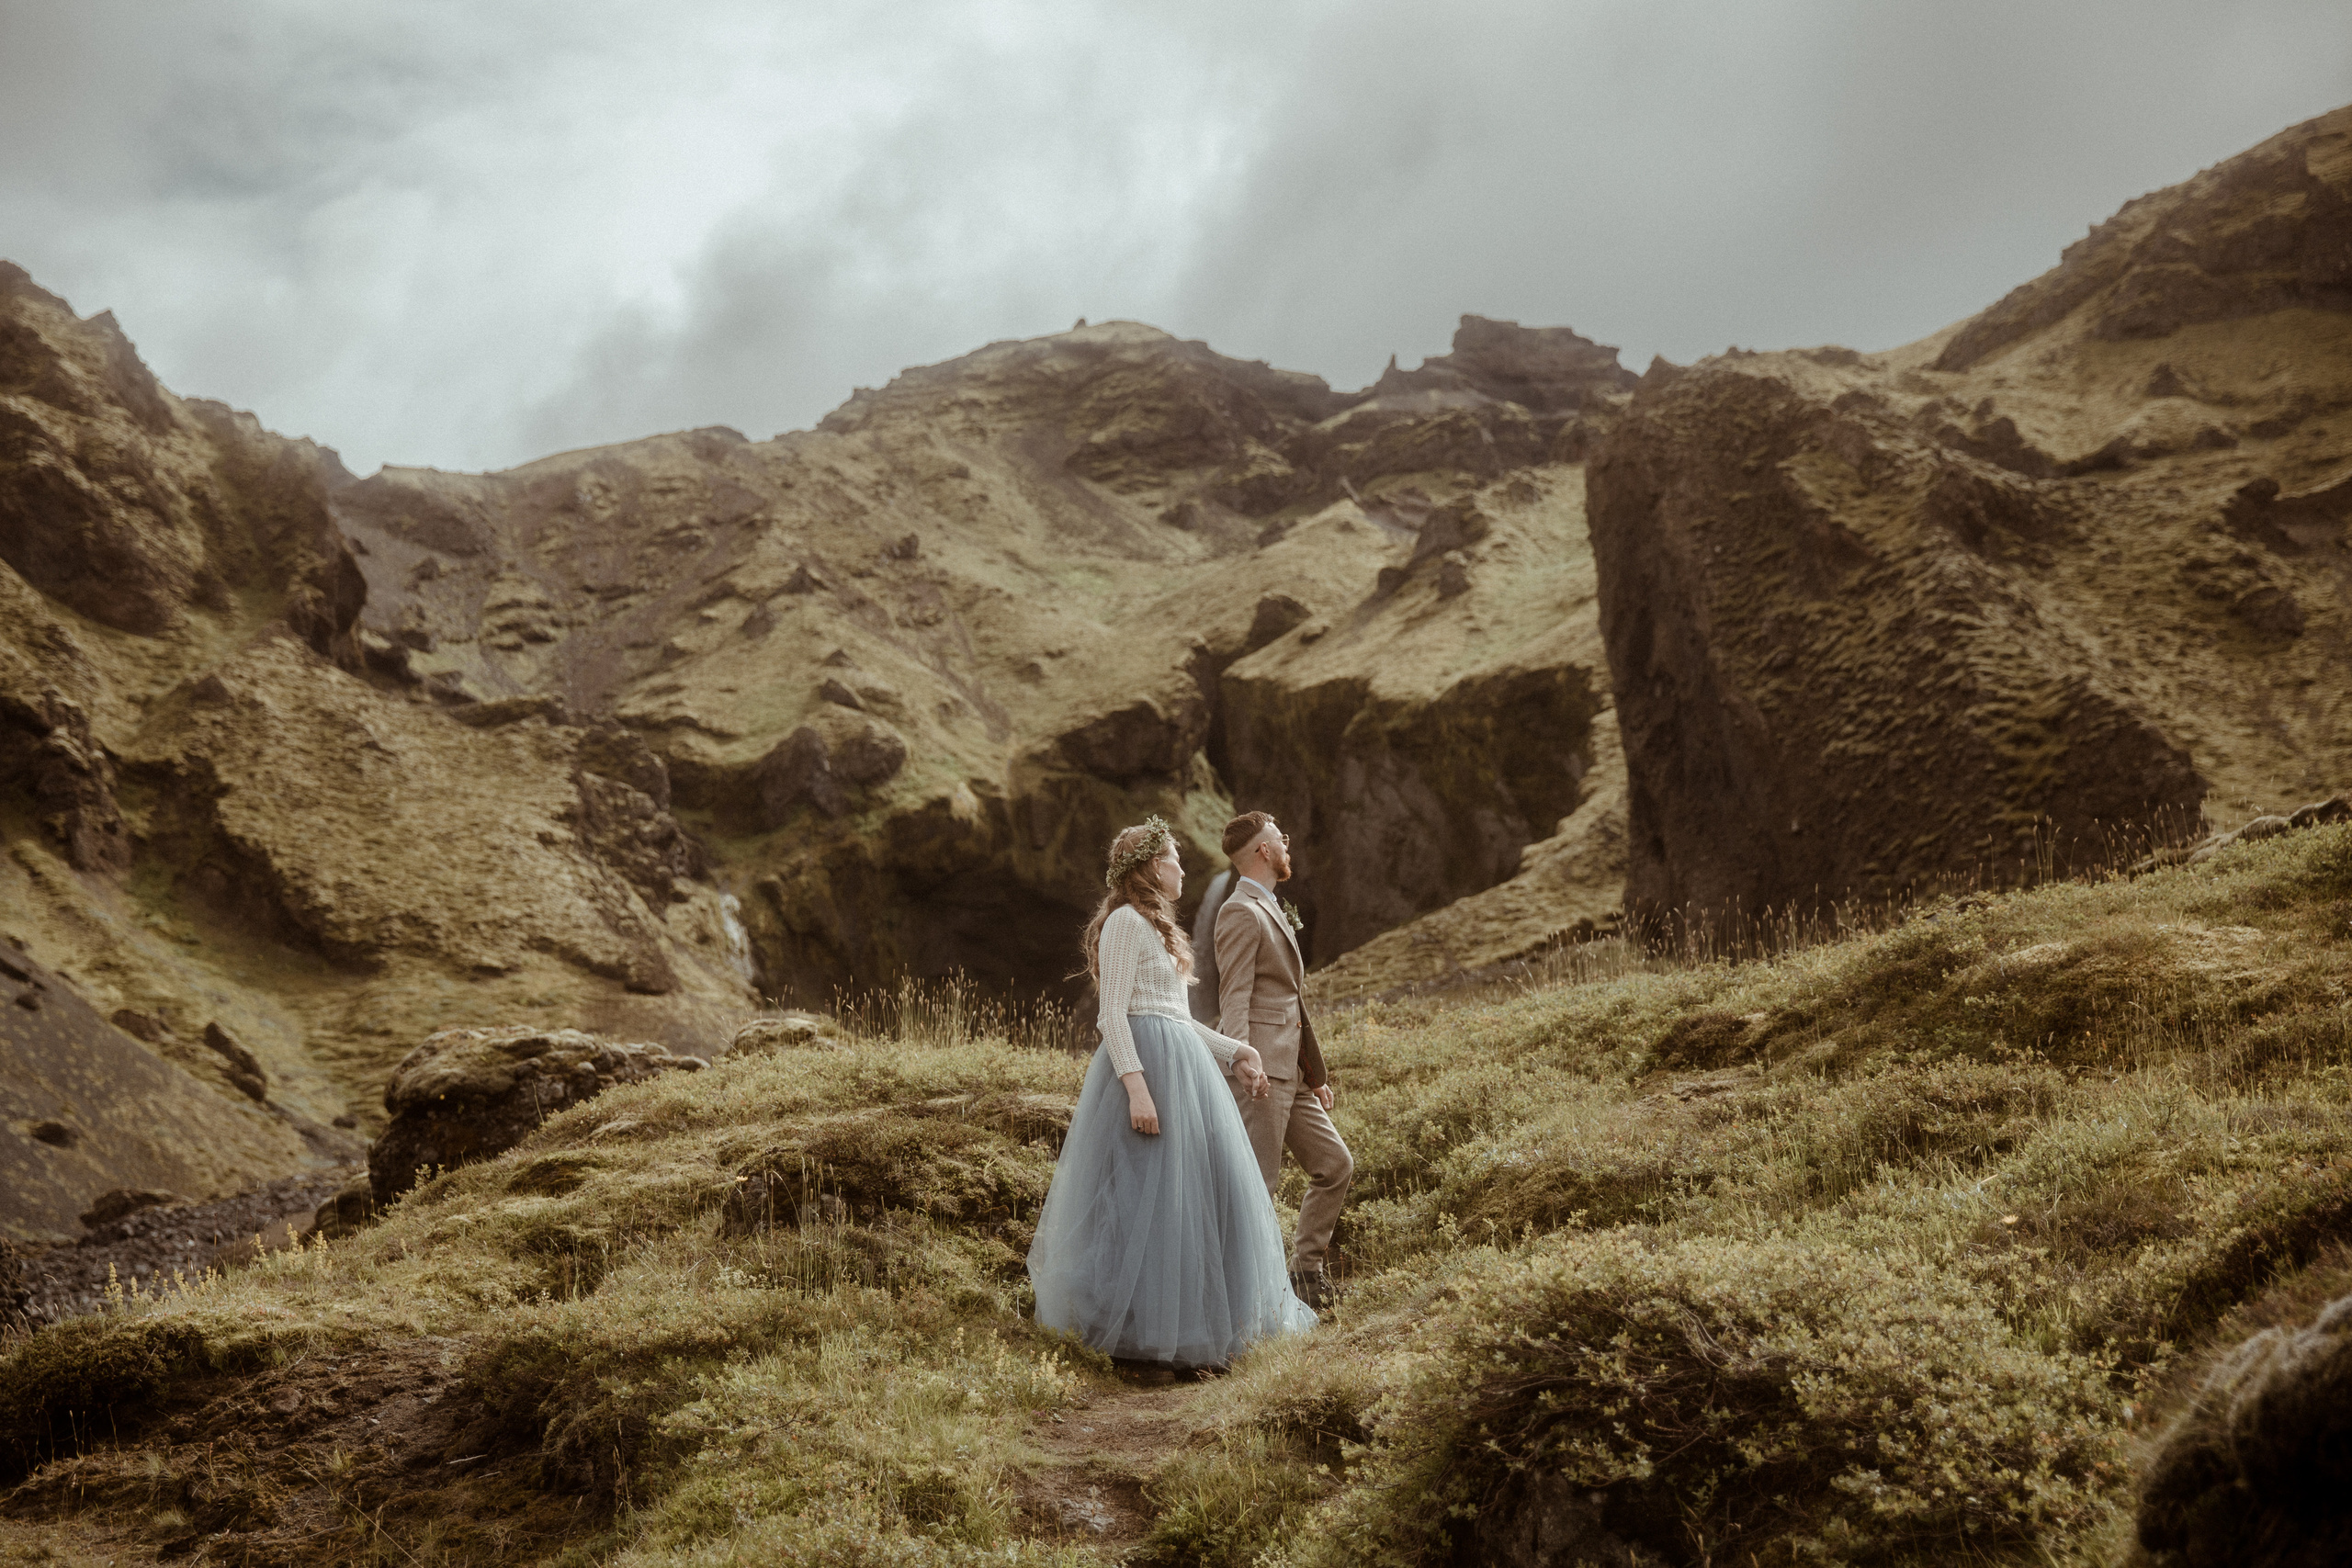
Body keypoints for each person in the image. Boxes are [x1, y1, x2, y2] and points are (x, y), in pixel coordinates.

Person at [1028, 817, 1319, 1374]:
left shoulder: (1158, 928)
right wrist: (1137, 1089)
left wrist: (1237, 1051)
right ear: (1152, 867)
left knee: (1189, 1198)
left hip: (1182, 1067)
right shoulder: (1122, 925)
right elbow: (1113, 1014)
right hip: (1146, 1074)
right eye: (1174, 859)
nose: (1184, 868)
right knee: (1145, 1202)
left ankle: (1194, 1332)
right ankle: (1139, 1341)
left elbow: (1178, 1019)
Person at [1215, 810, 1353, 1312]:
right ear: (1262, 852)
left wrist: (1313, 1074)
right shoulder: (1239, 912)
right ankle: (1242, 1300)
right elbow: (1235, 996)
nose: (1287, 842)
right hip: (1261, 1074)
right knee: (1259, 1186)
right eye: (1279, 838)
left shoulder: (1271, 905)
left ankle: (1306, 1273)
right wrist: (1240, 1060)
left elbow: (1291, 1000)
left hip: (1291, 1074)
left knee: (1335, 1165)